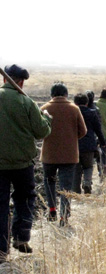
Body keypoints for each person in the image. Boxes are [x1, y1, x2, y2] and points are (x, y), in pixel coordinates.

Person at [0, 64, 51, 261]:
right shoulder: (26, 102)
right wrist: (47, 119)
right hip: (22, 163)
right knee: (25, 198)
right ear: (20, 82)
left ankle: (1, 250)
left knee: (1, 204)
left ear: (5, 79)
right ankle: (21, 238)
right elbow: (42, 132)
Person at [41, 83, 87, 226]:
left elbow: (39, 130)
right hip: (69, 155)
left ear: (52, 94)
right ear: (66, 94)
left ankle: (52, 209)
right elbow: (83, 131)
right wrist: (71, 139)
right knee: (66, 187)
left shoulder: (44, 108)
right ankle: (63, 217)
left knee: (49, 182)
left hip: (49, 154)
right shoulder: (74, 108)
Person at [73, 93, 105, 195]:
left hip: (75, 145)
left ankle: (76, 190)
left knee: (76, 169)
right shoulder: (92, 113)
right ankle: (87, 183)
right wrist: (102, 142)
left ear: (75, 103)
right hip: (89, 145)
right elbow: (98, 129)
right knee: (88, 166)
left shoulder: (72, 113)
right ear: (87, 103)